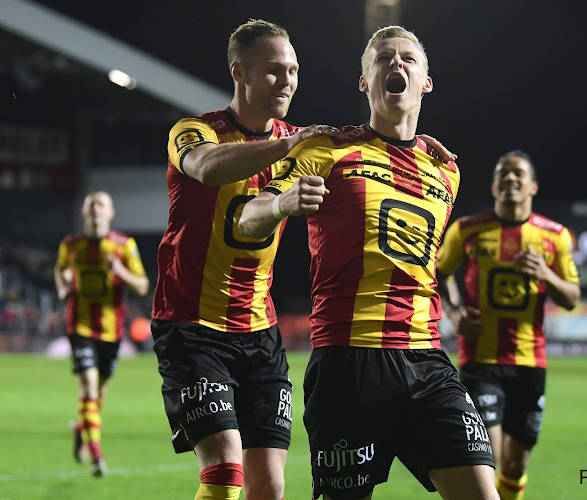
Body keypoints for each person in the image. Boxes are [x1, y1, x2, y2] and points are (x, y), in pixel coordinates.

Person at [150, 18, 456, 500]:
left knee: (269, 486)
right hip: (192, 324)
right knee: (225, 469)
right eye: (273, 71)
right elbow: (207, 168)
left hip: (259, 329)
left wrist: (412, 149)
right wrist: (289, 147)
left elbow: (359, 144)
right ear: (239, 73)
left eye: (292, 70)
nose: (287, 80)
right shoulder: (195, 131)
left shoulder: (307, 141)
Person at [239, 25, 499, 500]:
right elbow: (247, 220)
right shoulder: (327, 150)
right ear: (364, 82)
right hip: (348, 363)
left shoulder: (445, 170)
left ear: (426, 82)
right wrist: (281, 204)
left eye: (407, 59)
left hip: (427, 361)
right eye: (382, 59)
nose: (395, 65)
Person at [436, 150, 581, 500]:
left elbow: (572, 297)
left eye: (518, 174)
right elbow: (438, 273)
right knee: (489, 457)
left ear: (532, 186)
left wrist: (545, 274)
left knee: (515, 466)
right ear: (493, 186)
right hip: (480, 360)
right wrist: (454, 314)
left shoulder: (555, 236)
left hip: (530, 362)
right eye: (503, 174)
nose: (510, 179)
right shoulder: (467, 229)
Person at [54, 190, 149, 477]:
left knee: (98, 396)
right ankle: (96, 455)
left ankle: (80, 428)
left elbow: (143, 286)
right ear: (85, 212)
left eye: (101, 205)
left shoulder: (123, 245)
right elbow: (60, 271)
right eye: (91, 205)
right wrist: (63, 287)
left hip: (111, 331)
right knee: (89, 391)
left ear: (110, 213)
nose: (96, 209)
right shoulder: (71, 245)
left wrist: (120, 270)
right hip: (80, 326)